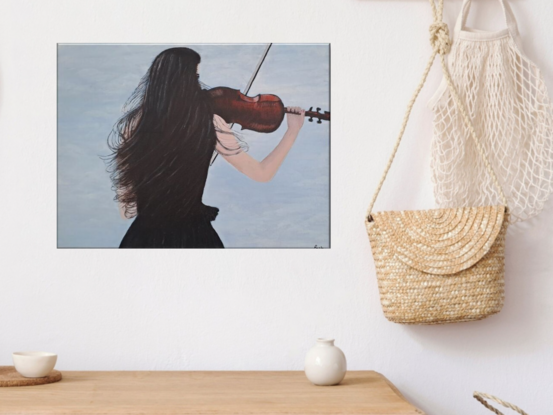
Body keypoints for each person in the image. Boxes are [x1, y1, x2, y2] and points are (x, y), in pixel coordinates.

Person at [107, 47, 305, 248]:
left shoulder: (134, 126)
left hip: (142, 239)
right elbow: (262, 174)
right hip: (193, 236)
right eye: (195, 76)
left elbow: (125, 212)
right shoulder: (209, 122)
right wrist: (292, 131)